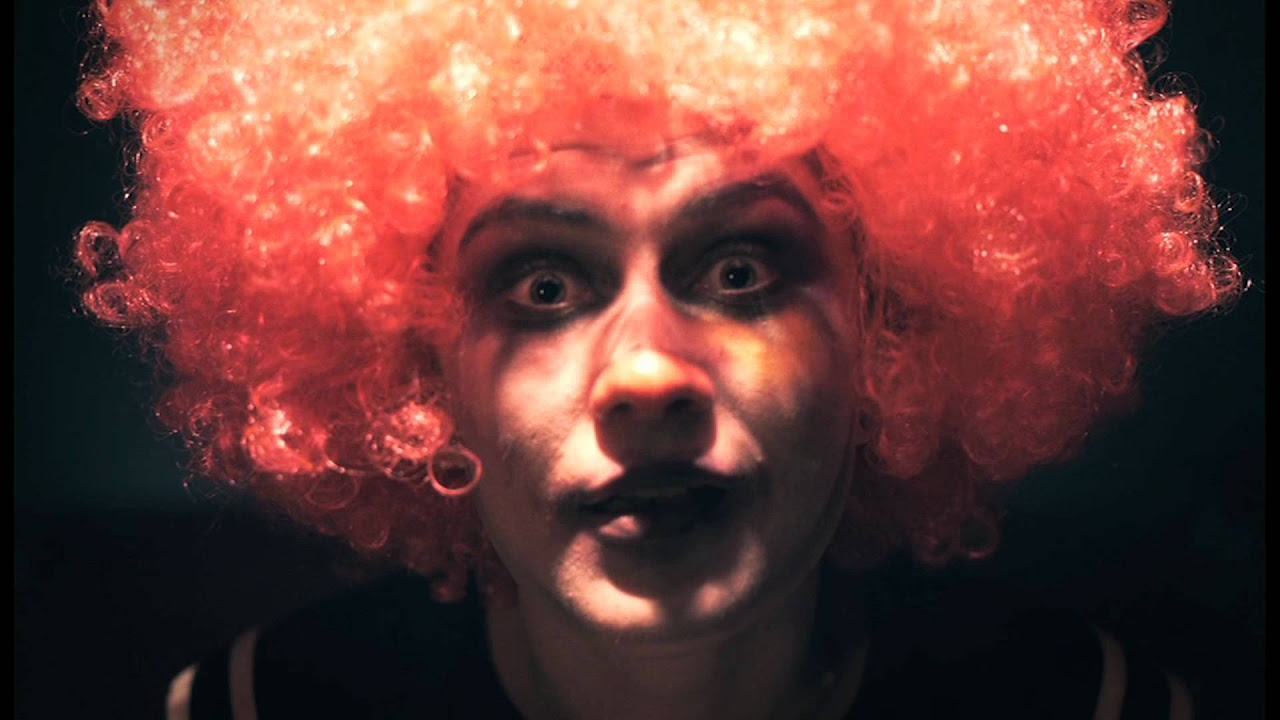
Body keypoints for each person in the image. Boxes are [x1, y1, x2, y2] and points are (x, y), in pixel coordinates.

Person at [73, 0, 1241, 717]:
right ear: (422, 370)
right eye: (541, 286)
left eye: (738, 270)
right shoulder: (256, 707)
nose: (645, 375)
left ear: (887, 326)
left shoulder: (1089, 705)